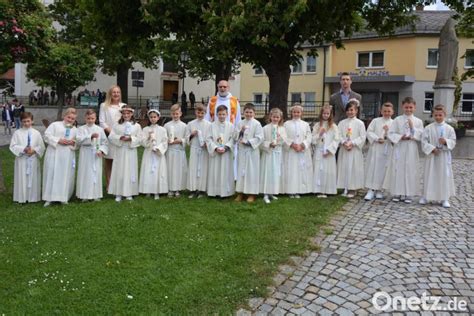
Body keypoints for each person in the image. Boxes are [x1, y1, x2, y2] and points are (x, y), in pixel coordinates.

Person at [383, 97, 424, 203]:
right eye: (406, 107)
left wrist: (413, 129)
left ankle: (408, 193)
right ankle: (398, 192)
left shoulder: (418, 121)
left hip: (411, 146)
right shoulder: (397, 120)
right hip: (400, 146)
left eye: (410, 107)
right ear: (402, 107)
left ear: (414, 107)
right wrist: (401, 137)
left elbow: (421, 135)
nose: (408, 109)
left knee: (410, 168)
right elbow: (391, 133)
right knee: (398, 168)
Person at [419, 105, 456, 208]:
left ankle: (444, 198)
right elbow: (424, 141)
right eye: (436, 115)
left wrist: (445, 142)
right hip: (432, 156)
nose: (438, 117)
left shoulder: (449, 129)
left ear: (444, 115)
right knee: (429, 174)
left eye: (440, 115)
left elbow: (453, 141)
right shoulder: (428, 128)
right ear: (433, 115)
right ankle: (426, 196)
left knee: (443, 175)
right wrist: (432, 148)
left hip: (443, 156)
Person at [42, 107, 78, 207]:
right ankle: (49, 198)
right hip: (54, 152)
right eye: (69, 117)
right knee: (51, 173)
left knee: (65, 174)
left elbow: (77, 143)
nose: (70, 120)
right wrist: (58, 140)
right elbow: (46, 136)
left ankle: (63, 197)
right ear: (64, 116)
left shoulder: (75, 130)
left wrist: (73, 142)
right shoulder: (55, 125)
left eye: (72, 119)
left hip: (67, 154)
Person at [107, 105, 142, 202]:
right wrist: (120, 138)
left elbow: (140, 138)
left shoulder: (136, 126)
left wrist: (131, 138)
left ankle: (129, 193)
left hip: (130, 150)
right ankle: (118, 193)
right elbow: (111, 136)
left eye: (128, 113)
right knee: (120, 170)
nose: (126, 115)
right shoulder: (117, 125)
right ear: (121, 114)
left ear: (131, 113)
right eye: (124, 113)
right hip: (120, 150)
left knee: (130, 171)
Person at [9, 112, 45, 203]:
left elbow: (41, 146)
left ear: (32, 121)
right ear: (21, 122)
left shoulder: (36, 133)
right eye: (24, 121)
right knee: (22, 177)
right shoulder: (17, 133)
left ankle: (33, 197)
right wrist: (23, 149)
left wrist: (34, 150)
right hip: (22, 159)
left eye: (28, 121)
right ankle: (21, 197)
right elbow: (13, 146)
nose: (26, 123)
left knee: (33, 177)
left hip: (33, 158)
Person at [76, 109, 108, 202]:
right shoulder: (81, 129)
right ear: (85, 118)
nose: (90, 120)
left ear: (96, 118)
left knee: (96, 173)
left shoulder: (100, 129)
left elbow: (105, 142)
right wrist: (90, 136)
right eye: (88, 118)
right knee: (85, 173)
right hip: (85, 154)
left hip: (95, 154)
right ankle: (84, 195)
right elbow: (78, 140)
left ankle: (95, 194)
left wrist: (101, 150)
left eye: (92, 118)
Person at [234, 103, 263, 203]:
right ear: (243, 112)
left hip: (252, 152)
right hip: (242, 151)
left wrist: (248, 142)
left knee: (251, 172)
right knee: (241, 171)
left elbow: (259, 137)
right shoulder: (240, 123)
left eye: (251, 112)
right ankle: (240, 193)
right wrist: (241, 132)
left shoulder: (257, 124)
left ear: (254, 113)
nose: (249, 114)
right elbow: (235, 136)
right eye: (246, 112)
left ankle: (252, 194)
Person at [337, 99, 367, 198]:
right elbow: (338, 135)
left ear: (356, 111)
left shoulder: (360, 123)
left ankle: (353, 188)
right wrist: (344, 142)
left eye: (352, 110)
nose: (350, 112)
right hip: (344, 149)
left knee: (354, 168)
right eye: (348, 110)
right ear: (346, 111)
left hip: (354, 150)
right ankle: (344, 186)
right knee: (344, 167)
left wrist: (352, 143)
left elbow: (362, 137)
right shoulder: (342, 123)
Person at [364, 102, 394, 201]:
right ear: (381, 111)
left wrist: (387, 133)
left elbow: (395, 135)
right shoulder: (375, 121)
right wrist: (377, 138)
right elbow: (369, 132)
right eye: (384, 111)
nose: (386, 113)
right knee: (373, 167)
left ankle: (380, 190)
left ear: (392, 112)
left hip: (386, 148)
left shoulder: (393, 123)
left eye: (388, 111)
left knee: (383, 169)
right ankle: (371, 189)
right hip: (376, 148)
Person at [283, 104, 313, 198]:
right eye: (294, 112)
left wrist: (302, 145)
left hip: (302, 151)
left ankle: (300, 190)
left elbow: (309, 136)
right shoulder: (287, 124)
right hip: (291, 151)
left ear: (301, 113)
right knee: (292, 170)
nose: (296, 114)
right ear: (291, 113)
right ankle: (291, 190)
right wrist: (292, 144)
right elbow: (284, 136)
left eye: (298, 112)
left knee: (301, 170)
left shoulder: (305, 124)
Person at [99, 85, 125, 189]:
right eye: (114, 92)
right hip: (109, 136)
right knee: (109, 160)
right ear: (110, 94)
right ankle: (109, 184)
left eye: (118, 92)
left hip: (120, 137)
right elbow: (102, 121)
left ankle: (118, 184)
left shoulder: (123, 105)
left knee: (119, 160)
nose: (116, 94)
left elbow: (126, 120)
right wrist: (111, 133)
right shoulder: (104, 105)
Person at [206, 105, 235, 198]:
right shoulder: (212, 125)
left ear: (227, 114)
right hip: (216, 153)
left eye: (223, 114)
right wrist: (215, 148)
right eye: (220, 114)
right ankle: (214, 192)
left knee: (225, 171)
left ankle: (226, 192)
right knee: (215, 171)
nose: (222, 116)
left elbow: (233, 139)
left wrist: (226, 147)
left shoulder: (231, 126)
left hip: (226, 153)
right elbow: (208, 139)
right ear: (216, 114)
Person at [139, 109, 169, 199]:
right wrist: (148, 138)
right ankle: (148, 190)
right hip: (148, 153)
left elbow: (165, 141)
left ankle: (157, 191)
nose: (153, 119)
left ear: (158, 118)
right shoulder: (145, 129)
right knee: (148, 171)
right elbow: (142, 142)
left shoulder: (162, 130)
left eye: (154, 117)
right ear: (149, 118)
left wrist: (158, 148)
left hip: (158, 154)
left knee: (158, 172)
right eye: (151, 117)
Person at [312, 104, 340, 198]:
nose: (326, 115)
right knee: (319, 170)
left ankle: (328, 189)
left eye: (328, 113)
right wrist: (319, 134)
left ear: (330, 114)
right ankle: (318, 190)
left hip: (328, 153)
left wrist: (329, 150)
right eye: (324, 113)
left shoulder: (333, 126)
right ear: (321, 114)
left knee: (328, 170)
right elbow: (312, 140)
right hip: (319, 151)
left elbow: (336, 139)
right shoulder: (317, 125)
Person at [260, 108, 287, 204]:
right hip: (268, 154)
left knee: (275, 173)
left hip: (277, 153)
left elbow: (285, 141)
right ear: (270, 117)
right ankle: (266, 193)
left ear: (280, 118)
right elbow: (261, 142)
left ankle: (272, 192)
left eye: (277, 117)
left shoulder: (282, 129)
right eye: (274, 117)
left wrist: (279, 139)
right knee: (268, 172)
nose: (275, 119)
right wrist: (269, 144)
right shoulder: (265, 128)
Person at [185, 103, 211, 198]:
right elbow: (186, 138)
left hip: (203, 150)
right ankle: (193, 189)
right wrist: (192, 134)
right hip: (194, 149)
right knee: (193, 169)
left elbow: (210, 137)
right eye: (198, 112)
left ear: (205, 113)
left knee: (203, 169)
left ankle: (201, 190)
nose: (200, 114)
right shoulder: (191, 124)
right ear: (195, 112)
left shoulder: (209, 124)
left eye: (202, 113)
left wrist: (206, 143)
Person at [164, 104, 187, 197]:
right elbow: (163, 137)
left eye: (177, 113)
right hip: (170, 151)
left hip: (179, 151)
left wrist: (180, 140)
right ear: (171, 114)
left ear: (180, 113)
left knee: (178, 170)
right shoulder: (167, 125)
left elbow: (187, 138)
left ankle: (177, 188)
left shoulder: (184, 126)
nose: (175, 116)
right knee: (170, 170)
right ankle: (170, 188)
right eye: (173, 114)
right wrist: (168, 141)